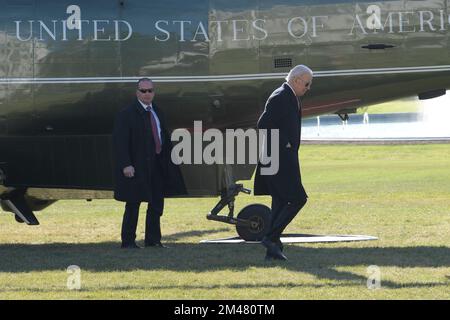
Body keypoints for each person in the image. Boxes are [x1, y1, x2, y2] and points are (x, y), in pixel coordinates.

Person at [113, 78, 186, 249]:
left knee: (156, 204)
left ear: (154, 92)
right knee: (133, 204)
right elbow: (120, 143)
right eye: (143, 91)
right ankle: (128, 241)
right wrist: (126, 165)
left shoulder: (157, 112)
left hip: (157, 165)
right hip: (137, 167)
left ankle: (153, 240)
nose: (147, 94)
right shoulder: (127, 114)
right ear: (137, 92)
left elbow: (163, 137)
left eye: (150, 90)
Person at [254, 65, 313, 260]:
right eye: (306, 83)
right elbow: (263, 124)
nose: (308, 87)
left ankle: (272, 250)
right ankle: (270, 238)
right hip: (278, 159)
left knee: (280, 202)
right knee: (298, 198)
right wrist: (285, 143)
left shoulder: (290, 96)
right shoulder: (280, 96)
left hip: (285, 159)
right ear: (296, 80)